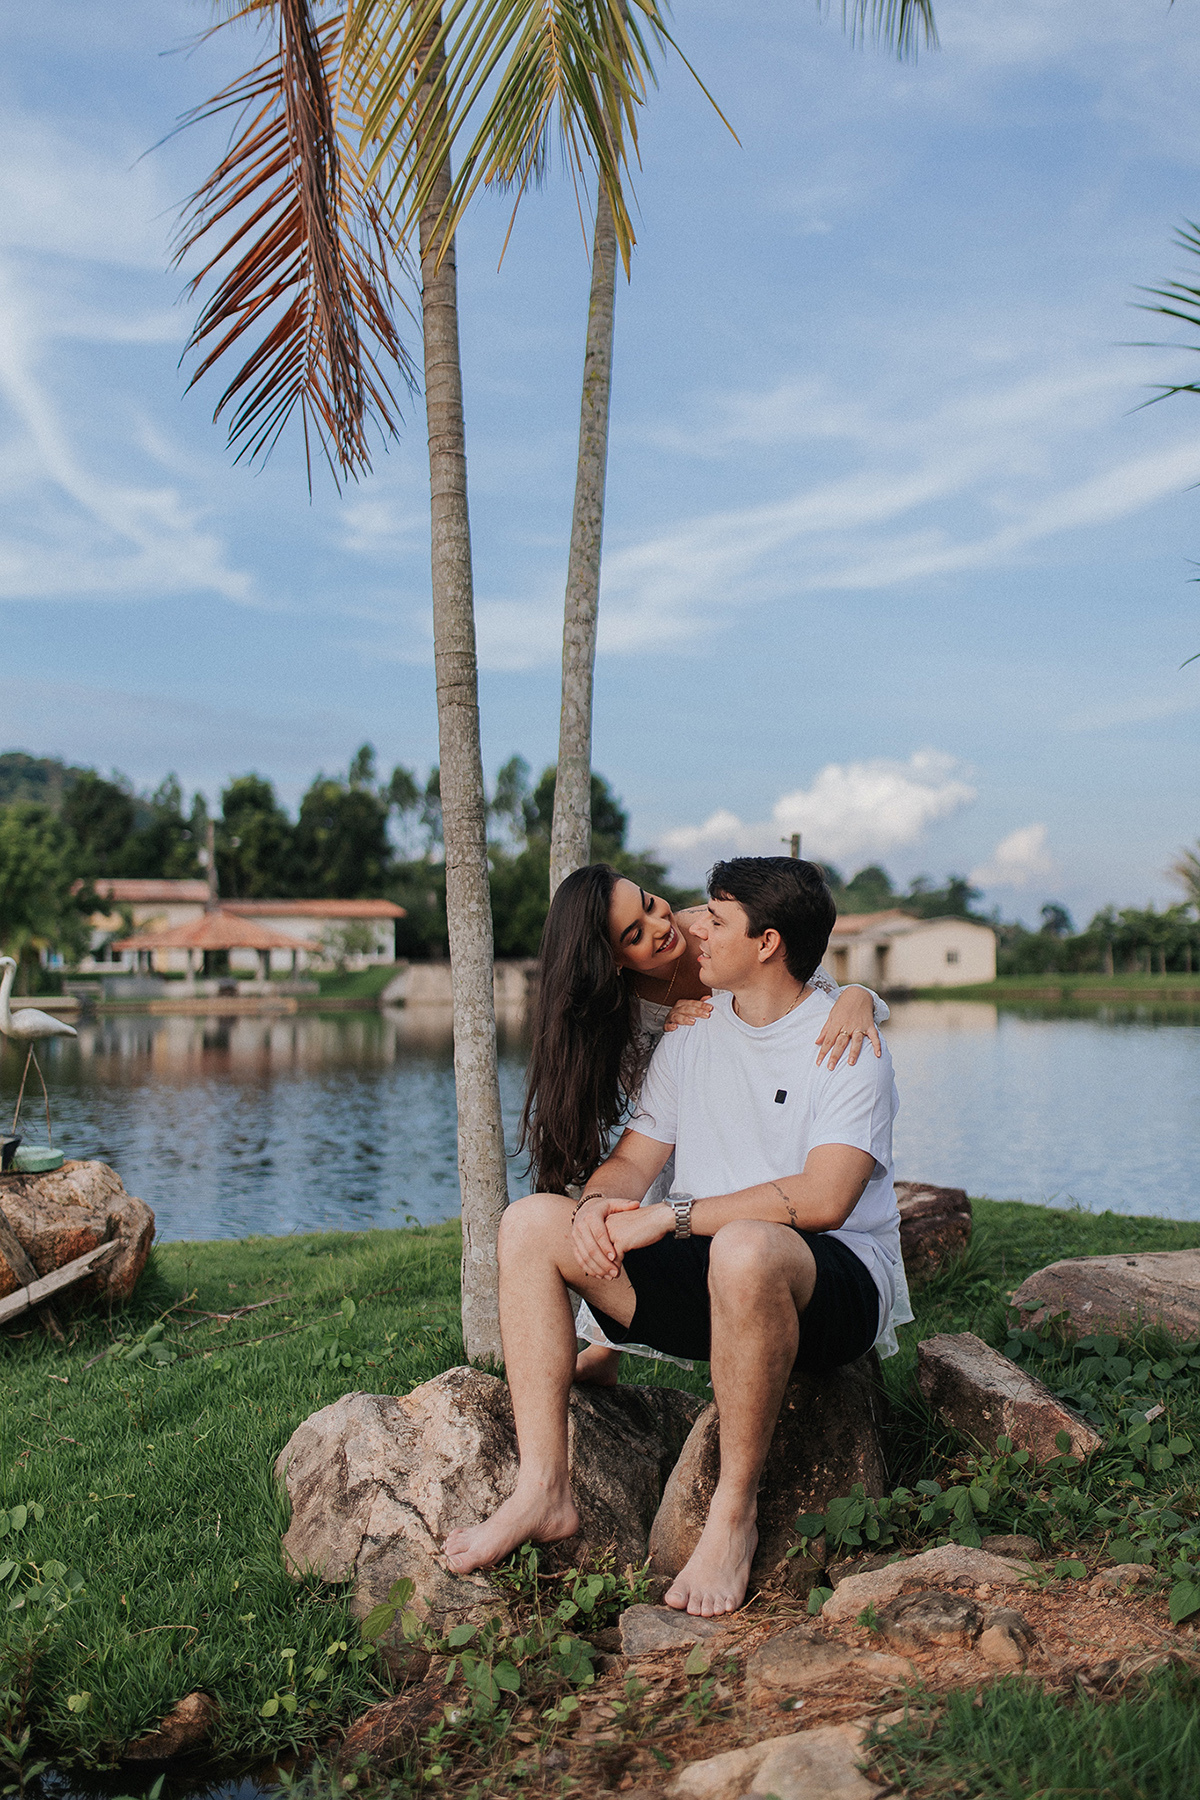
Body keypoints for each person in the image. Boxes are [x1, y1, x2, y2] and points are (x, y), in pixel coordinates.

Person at [445, 856, 911, 1617]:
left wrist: (674, 1216)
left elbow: (826, 1199)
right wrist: (598, 1204)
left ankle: (732, 1513)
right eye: (668, 920)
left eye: (712, 918)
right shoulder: (689, 1033)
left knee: (745, 1246)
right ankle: (543, 1489)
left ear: (764, 943)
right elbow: (634, 1161)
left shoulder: (844, 1040)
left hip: (831, 1285)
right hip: (715, 1273)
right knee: (532, 1224)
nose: (689, 927)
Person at [518, 863, 889, 1382]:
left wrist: (859, 997)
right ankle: (607, 1342)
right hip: (674, 1084)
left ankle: (750, 1284)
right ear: (612, 964)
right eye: (635, 935)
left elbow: (795, 973)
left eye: (649, 902)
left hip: (747, 1075)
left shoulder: (704, 925)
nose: (661, 926)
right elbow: (637, 1152)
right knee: (648, 1187)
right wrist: (596, 1206)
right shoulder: (620, 1014)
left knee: (727, 1191)